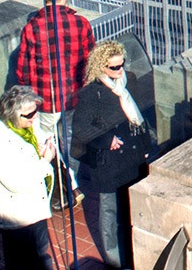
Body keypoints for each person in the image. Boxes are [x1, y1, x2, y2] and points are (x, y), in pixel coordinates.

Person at [72, 41, 154, 268]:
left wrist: (146, 148)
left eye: (122, 65)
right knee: (109, 211)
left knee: (128, 211)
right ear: (100, 67)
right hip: (109, 164)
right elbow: (80, 129)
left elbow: (139, 118)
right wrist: (106, 140)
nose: (120, 71)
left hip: (131, 160)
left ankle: (130, 255)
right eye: (114, 68)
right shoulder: (91, 94)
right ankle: (114, 261)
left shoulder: (127, 83)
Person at [15, 0, 94, 204]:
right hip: (73, 96)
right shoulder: (81, 24)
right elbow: (91, 61)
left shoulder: (32, 28)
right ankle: (72, 183)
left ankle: (62, 188)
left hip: (44, 100)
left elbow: (22, 71)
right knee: (68, 140)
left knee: (48, 143)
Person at [0, 85, 57, 269]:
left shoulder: (24, 123)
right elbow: (17, 183)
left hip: (34, 208)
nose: (35, 117)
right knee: (21, 262)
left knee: (39, 253)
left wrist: (45, 142)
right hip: (17, 216)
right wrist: (45, 161)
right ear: (12, 114)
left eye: (36, 111)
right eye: (30, 114)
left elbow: (37, 135)